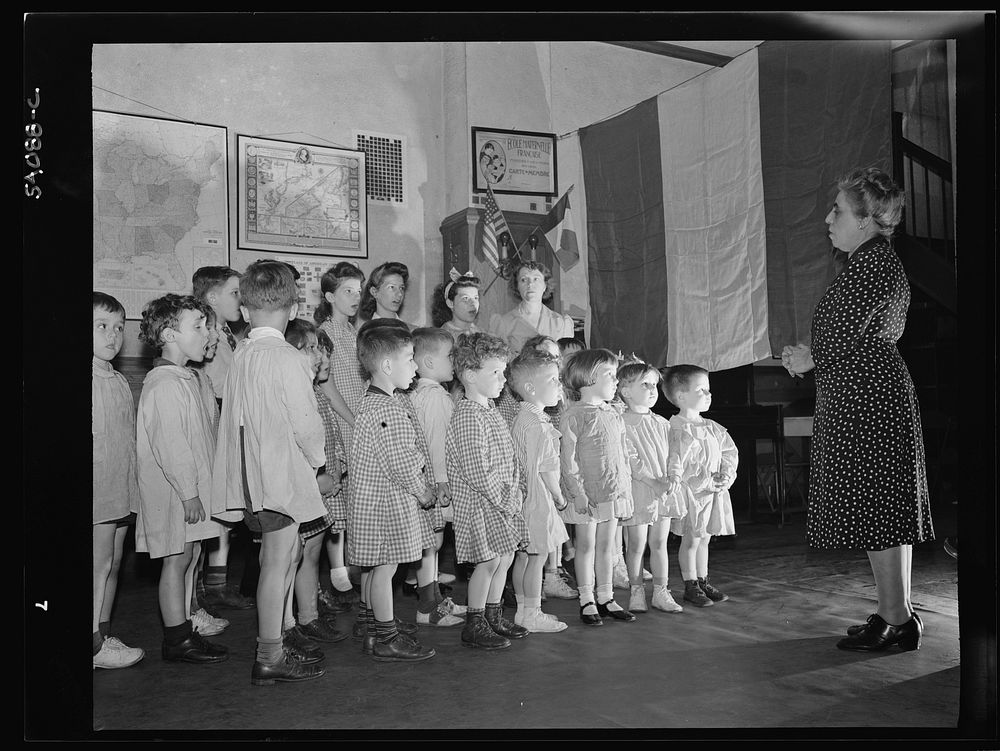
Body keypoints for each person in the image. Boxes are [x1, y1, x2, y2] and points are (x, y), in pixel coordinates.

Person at [781, 167, 933, 651]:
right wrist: (812, 354)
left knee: (879, 509)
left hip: (869, 397)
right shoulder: (869, 261)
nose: (829, 218)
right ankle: (896, 615)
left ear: (865, 221)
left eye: (838, 210)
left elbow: (844, 336)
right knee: (881, 509)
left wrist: (809, 356)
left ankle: (897, 620)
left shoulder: (873, 263)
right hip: (863, 392)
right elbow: (851, 333)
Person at [212, 260, 328, 685]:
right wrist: (318, 462)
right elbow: (306, 422)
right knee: (279, 563)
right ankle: (269, 654)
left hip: (251, 477)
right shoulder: (288, 358)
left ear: (244, 311)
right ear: (294, 309)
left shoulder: (242, 353)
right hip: (279, 478)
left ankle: (279, 633)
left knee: (280, 557)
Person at [135, 294, 228, 665]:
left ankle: (186, 626)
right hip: (176, 493)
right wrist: (189, 493)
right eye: (198, 326)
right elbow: (171, 446)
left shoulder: (185, 378)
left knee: (190, 556)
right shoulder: (165, 384)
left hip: (190, 492)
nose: (206, 333)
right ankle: (175, 639)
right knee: (175, 559)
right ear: (170, 334)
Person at [347, 319, 437, 662]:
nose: (415, 366)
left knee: (374, 569)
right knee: (386, 569)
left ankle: (373, 628)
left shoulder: (371, 403)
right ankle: (386, 637)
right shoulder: (389, 410)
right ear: (387, 365)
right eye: (410, 358)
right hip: (386, 506)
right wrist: (423, 491)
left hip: (370, 503)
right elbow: (401, 462)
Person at [446, 332, 530, 649]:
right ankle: (475, 621)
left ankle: (493, 614)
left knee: (505, 558)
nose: (503, 378)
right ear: (469, 375)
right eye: (495, 372)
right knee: (487, 563)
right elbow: (478, 470)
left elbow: (508, 454)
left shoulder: (489, 410)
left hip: (502, 500)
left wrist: (516, 486)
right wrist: (506, 496)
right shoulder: (468, 415)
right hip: (482, 504)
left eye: (503, 371)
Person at [191, 266, 256, 611]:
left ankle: (216, 582)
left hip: (229, 414)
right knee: (214, 505)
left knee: (226, 506)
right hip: (213, 415)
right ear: (212, 297)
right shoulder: (203, 335)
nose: (240, 298)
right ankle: (204, 586)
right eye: (234, 292)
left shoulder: (229, 333)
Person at [281, 318, 349, 649]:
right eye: (311, 348)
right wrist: (317, 478)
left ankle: (308, 617)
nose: (320, 356)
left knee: (313, 549)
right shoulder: (298, 393)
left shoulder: (316, 390)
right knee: (300, 553)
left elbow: (327, 435)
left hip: (324, 484)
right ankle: (295, 621)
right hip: (308, 485)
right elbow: (294, 445)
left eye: (320, 349)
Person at [560, 348, 636, 626]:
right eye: (610, 375)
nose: (616, 382)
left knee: (608, 547)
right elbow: (568, 461)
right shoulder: (574, 415)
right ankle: (587, 599)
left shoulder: (613, 413)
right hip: (587, 495)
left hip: (611, 491)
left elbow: (621, 455)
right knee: (586, 546)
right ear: (590, 378)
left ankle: (606, 596)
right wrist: (577, 494)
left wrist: (624, 489)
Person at [92, 292, 145, 670]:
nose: (112, 336)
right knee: (96, 565)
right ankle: (91, 645)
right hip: (97, 489)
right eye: (101, 327)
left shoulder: (119, 380)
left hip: (120, 488)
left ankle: (101, 632)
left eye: (117, 328)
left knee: (111, 563)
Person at [661, 365, 737, 609]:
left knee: (705, 538)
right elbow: (677, 464)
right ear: (681, 396)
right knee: (691, 539)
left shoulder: (711, 427)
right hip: (692, 495)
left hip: (712, 493)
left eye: (709, 390)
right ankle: (690, 583)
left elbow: (729, 452)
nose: (708, 394)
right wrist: (704, 481)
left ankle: (703, 580)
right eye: (702, 390)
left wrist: (726, 475)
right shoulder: (677, 429)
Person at [408, 327, 469, 628]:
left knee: (433, 543)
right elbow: (435, 441)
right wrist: (442, 481)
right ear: (429, 363)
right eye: (450, 356)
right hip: (435, 481)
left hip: (433, 480)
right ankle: (427, 607)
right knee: (431, 544)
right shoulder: (433, 397)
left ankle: (434, 601)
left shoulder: (428, 394)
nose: (454, 361)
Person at [507, 348, 570, 633]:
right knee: (537, 558)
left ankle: (522, 609)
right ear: (531, 388)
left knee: (524, 557)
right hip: (539, 500)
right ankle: (532, 613)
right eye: (554, 380)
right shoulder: (540, 426)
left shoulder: (522, 419)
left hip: (523, 500)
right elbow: (546, 469)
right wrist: (558, 496)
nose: (559, 385)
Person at [617, 361, 687, 613]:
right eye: (645, 384)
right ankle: (636, 591)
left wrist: (674, 476)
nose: (652, 389)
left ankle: (661, 591)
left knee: (659, 543)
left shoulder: (662, 422)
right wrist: (653, 481)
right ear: (625, 391)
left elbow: (674, 453)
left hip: (664, 489)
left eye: (655, 384)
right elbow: (631, 459)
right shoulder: (622, 422)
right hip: (641, 489)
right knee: (636, 544)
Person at [314, 261, 367, 450]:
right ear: (330, 296)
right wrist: (354, 423)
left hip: (362, 421)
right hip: (344, 422)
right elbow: (327, 388)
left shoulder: (354, 333)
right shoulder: (323, 334)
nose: (356, 297)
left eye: (358, 291)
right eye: (348, 291)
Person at [489, 259, 574, 354]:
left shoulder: (560, 322)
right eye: (523, 280)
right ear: (517, 286)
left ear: (545, 285)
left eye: (536, 279)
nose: (530, 284)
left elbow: (568, 361)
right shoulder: (503, 323)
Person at [358, 261, 412, 329]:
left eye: (401, 288)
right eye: (392, 287)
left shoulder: (411, 330)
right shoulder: (368, 332)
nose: (400, 294)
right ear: (374, 292)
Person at [431, 272, 482, 339]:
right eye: (465, 298)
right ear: (450, 303)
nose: (473, 303)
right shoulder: (441, 338)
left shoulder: (481, 333)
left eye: (476, 298)